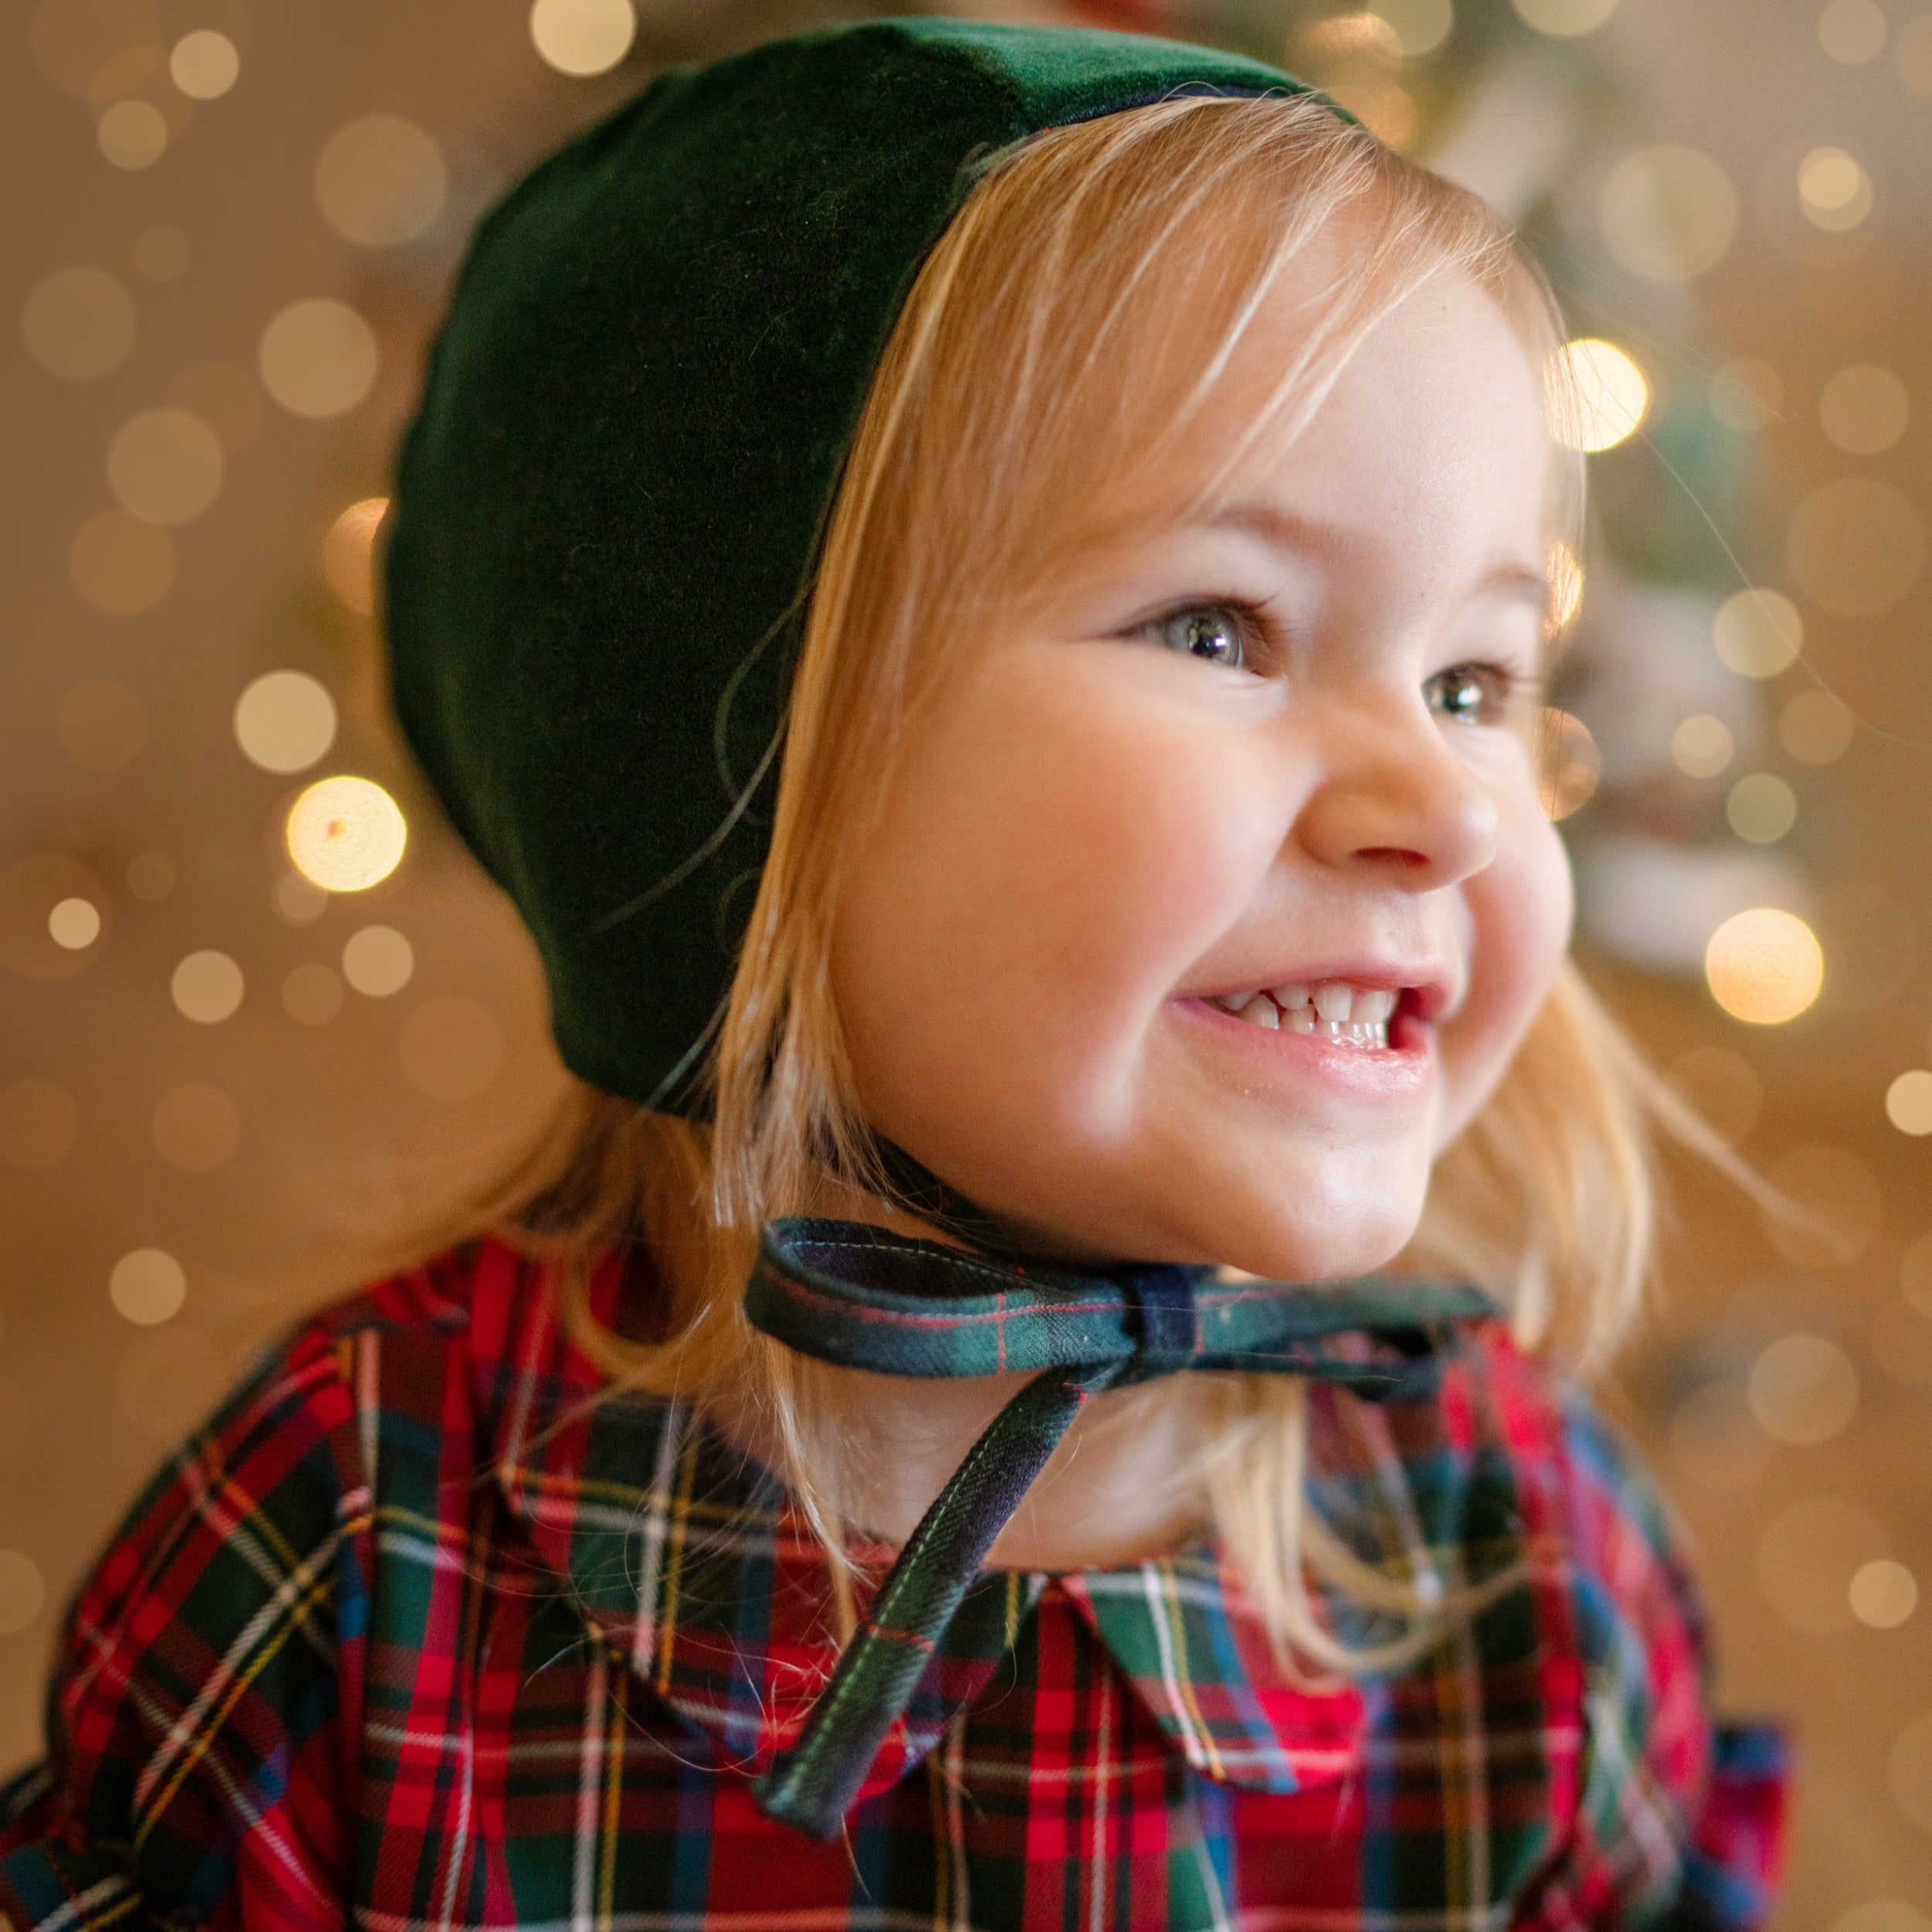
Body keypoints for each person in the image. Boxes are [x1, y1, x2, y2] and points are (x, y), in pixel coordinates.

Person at [0, 19, 1785, 1929]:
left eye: (1475, 679)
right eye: (1218, 623)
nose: (1439, 800)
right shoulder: (346, 1560)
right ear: (727, 771)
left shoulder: (1518, 1544)